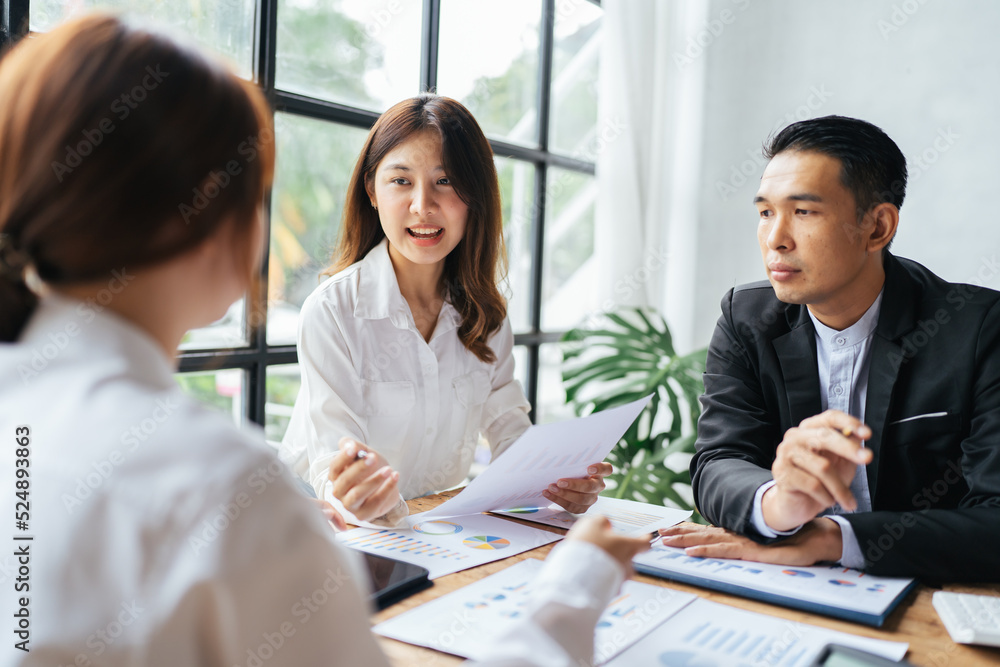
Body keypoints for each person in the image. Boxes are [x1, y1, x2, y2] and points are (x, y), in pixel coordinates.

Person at [0, 15, 650, 666]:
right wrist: (576, 588)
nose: (423, 204)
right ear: (211, 219)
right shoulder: (226, 490)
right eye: (254, 192)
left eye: (447, 182)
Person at [662, 115, 1000, 581]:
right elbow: (719, 461)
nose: (776, 239)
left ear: (878, 227)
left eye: (803, 212)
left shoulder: (979, 328)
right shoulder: (746, 319)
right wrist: (779, 503)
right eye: (765, 212)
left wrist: (829, 538)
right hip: (788, 583)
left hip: (925, 593)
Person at [279, 94, 611, 526]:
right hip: (327, 530)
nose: (423, 205)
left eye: (446, 181)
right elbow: (332, 468)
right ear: (372, 191)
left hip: (434, 528)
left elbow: (511, 432)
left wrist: (558, 482)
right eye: (401, 181)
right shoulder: (333, 311)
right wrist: (363, 495)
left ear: (474, 196)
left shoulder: (486, 314)